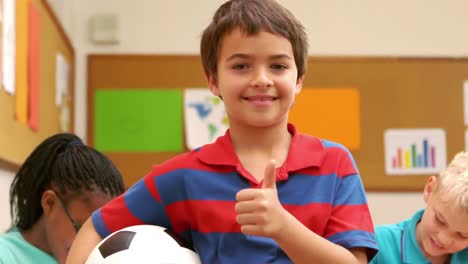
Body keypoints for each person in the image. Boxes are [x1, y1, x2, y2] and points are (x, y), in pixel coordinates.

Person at [67, 0, 378, 263]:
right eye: (241, 66)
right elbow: (96, 229)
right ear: (213, 80)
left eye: (278, 66)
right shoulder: (185, 175)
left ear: (299, 79)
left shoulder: (336, 164)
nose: (261, 79)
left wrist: (283, 227)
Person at [0, 133, 125, 264]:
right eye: (81, 228)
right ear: (49, 203)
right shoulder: (5, 255)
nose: (90, 243)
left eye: (102, 233)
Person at [371, 152, 468, 264]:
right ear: (430, 189)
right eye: (440, 220)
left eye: (463, 235)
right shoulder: (377, 244)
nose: (444, 239)